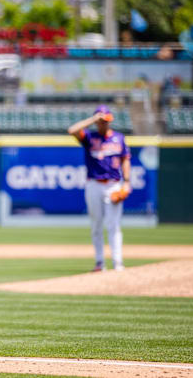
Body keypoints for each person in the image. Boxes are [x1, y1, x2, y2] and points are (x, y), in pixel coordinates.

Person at [68, 105, 131, 272]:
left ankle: (118, 262)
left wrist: (127, 182)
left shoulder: (118, 138)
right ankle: (99, 262)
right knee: (96, 225)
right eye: (102, 121)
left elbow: (125, 159)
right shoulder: (89, 137)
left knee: (114, 224)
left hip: (113, 184)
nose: (105, 124)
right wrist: (92, 119)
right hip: (93, 184)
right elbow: (71, 130)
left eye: (106, 121)